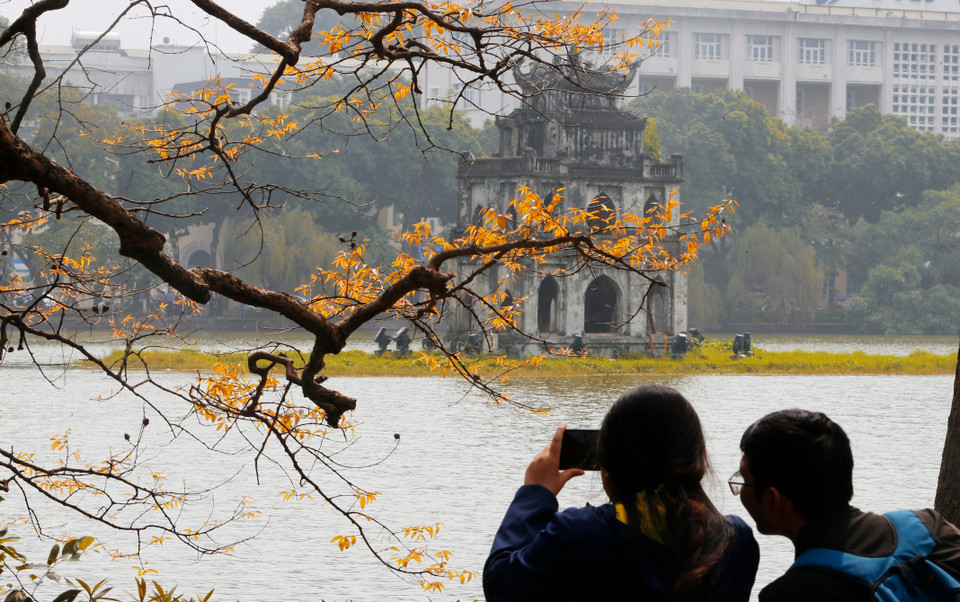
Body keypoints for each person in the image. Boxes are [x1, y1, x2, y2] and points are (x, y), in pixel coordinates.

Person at [483, 384, 759, 601]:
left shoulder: (581, 533)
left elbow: (502, 584)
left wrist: (535, 494)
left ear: (609, 463)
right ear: (696, 457)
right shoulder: (736, 540)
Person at [733, 409, 960, 601]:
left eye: (744, 480)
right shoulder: (928, 527)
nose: (741, 490)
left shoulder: (790, 594)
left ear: (773, 499)